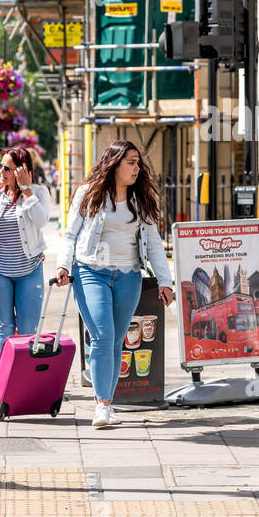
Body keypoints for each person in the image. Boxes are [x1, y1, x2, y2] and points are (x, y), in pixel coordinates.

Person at [54, 140, 174, 428]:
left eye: (138, 163)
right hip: (90, 271)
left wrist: (165, 281)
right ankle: (102, 405)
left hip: (128, 275)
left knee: (117, 341)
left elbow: (154, 243)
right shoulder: (88, 193)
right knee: (103, 337)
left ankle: (107, 403)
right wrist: (62, 265)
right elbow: (70, 235)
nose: (137, 168)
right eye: (130, 162)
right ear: (114, 164)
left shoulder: (140, 199)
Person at [0, 147, 51, 358]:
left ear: (22, 170)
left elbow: (42, 221)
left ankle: (25, 375)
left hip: (29, 271)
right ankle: (6, 375)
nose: (1, 171)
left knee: (28, 329)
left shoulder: (38, 193)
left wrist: (26, 190)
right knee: (3, 327)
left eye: (7, 168)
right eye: (1, 166)